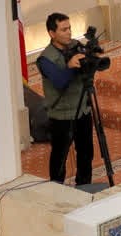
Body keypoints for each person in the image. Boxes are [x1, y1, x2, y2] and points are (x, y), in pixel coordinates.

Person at [36, 13, 94, 185]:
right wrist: (69, 66)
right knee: (60, 156)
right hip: (61, 116)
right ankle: (57, 189)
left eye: (69, 28)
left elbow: (88, 67)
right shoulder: (45, 59)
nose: (69, 32)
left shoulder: (76, 45)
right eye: (63, 29)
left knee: (86, 152)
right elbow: (59, 82)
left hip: (82, 109)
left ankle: (84, 185)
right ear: (52, 33)